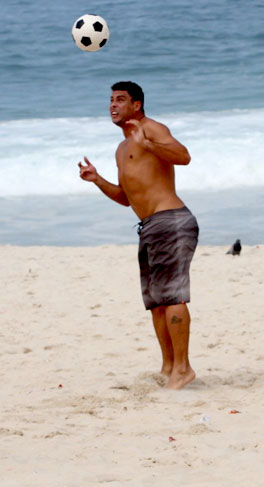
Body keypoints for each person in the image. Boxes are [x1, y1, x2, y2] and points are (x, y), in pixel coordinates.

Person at [78, 81, 198, 390]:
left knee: (172, 297)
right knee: (156, 302)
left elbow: (183, 156)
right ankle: (169, 366)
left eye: (120, 100)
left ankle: (183, 369)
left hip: (171, 220)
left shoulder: (152, 129)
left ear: (137, 105)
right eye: (110, 100)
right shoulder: (121, 149)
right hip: (150, 226)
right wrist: (97, 180)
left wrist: (150, 145)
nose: (112, 105)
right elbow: (125, 197)